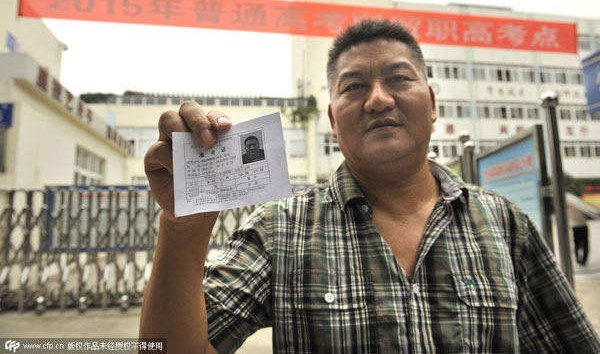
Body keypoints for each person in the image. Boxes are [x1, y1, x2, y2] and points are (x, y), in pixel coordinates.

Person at [140, 20, 600, 353]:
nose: (379, 99)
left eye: (399, 79)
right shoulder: (280, 229)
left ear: (433, 102)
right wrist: (184, 227)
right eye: (355, 86)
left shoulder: (506, 225)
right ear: (332, 122)